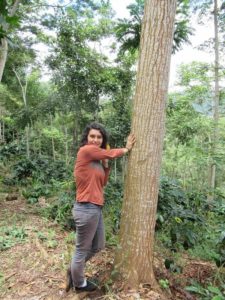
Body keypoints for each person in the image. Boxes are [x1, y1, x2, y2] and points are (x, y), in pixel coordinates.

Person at [66, 122, 136, 293]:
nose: (95, 140)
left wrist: (105, 165)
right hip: (85, 208)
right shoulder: (86, 151)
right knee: (81, 249)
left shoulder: (96, 160)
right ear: (87, 138)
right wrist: (126, 149)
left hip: (95, 208)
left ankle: (74, 268)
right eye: (92, 136)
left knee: (98, 245)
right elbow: (111, 153)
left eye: (99, 137)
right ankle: (80, 284)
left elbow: (103, 182)